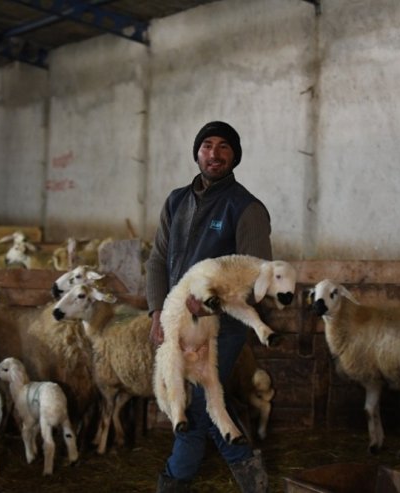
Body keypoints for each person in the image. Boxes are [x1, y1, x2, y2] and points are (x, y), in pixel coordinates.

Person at [145, 121, 272, 493]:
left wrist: (211, 305)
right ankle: (250, 473)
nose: (213, 154)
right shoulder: (176, 201)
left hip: (222, 327)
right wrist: (158, 314)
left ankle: (176, 482)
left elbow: (257, 277)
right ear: (197, 152)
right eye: (206, 146)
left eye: (223, 147)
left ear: (234, 156)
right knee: (197, 401)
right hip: (178, 321)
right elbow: (157, 260)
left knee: (197, 405)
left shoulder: (246, 208)